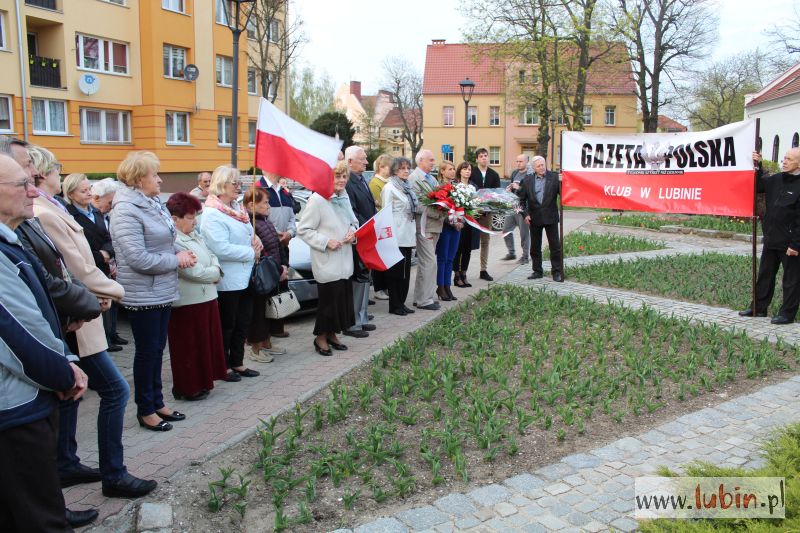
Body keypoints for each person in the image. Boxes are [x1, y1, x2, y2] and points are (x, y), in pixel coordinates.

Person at [30, 146, 158, 499]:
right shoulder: (44, 211)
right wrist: (118, 291)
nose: (61, 172)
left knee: (71, 395)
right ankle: (113, 474)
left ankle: (66, 462)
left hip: (84, 308)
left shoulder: (50, 207)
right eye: (57, 168)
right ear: (43, 173)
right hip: (79, 313)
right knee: (116, 390)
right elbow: (76, 269)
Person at [0, 152, 95, 531]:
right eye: (22, 183)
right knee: (40, 520)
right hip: (16, 409)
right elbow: (17, 335)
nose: (33, 191)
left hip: (21, 401)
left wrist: (63, 359)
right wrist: (64, 373)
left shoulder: (9, 240)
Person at [112, 151, 194, 434]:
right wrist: (177, 260)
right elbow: (138, 258)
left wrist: (179, 250)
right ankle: (145, 409)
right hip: (143, 292)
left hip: (160, 290)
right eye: (154, 174)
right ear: (138, 179)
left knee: (158, 349)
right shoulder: (125, 210)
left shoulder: (150, 204)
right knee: (147, 352)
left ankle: (157, 401)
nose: (160, 179)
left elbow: (163, 241)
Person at [201, 165, 262, 381]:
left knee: (242, 323)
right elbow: (220, 248)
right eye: (234, 183)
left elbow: (248, 233)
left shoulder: (237, 208)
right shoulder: (212, 213)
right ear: (221, 185)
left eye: (239, 183)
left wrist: (257, 241)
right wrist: (249, 252)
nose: (239, 187)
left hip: (245, 277)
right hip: (228, 279)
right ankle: (223, 366)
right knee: (227, 325)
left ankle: (238, 362)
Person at [166, 193, 228, 401]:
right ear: (175, 218)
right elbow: (192, 271)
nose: (195, 221)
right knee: (189, 348)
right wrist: (215, 273)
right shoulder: (174, 239)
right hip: (187, 301)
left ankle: (203, 382)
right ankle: (188, 387)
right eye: (190, 217)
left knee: (205, 345)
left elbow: (211, 255)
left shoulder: (195, 235)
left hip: (206, 298)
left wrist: (215, 268)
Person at [297, 161, 357, 356]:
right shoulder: (317, 199)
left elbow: (353, 222)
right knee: (328, 301)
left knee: (341, 300)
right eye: (337, 176)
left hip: (345, 257)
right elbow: (304, 230)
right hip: (327, 258)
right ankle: (320, 337)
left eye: (344, 176)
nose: (341, 180)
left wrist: (353, 233)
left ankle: (332, 334)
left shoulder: (344, 197)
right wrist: (325, 241)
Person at [63, 173, 123, 352]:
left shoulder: (95, 212)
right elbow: (77, 248)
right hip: (89, 267)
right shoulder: (69, 215)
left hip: (104, 265)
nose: (89, 193)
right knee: (96, 307)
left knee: (109, 303)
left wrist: (108, 252)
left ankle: (110, 335)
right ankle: (103, 339)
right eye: (83, 191)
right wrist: (100, 255)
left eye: (89, 189)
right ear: (71, 194)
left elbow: (109, 237)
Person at [740, 149, 800, 324]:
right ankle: (758, 309)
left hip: (790, 243)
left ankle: (787, 314)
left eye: (789, 159)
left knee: (791, 280)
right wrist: (757, 166)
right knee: (765, 275)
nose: (785, 161)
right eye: (784, 158)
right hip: (772, 238)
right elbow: (758, 186)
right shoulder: (776, 179)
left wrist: (796, 244)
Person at [244, 187, 288, 363]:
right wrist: (277, 270)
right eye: (265, 203)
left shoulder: (265, 220)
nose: (269, 206)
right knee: (258, 314)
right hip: (262, 276)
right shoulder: (250, 224)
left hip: (274, 273)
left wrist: (283, 266)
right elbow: (262, 253)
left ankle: (267, 343)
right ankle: (255, 349)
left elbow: (276, 246)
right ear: (252, 205)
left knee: (269, 311)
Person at [256, 172, 295, 338]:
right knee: (268, 287)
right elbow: (259, 219)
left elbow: (293, 216)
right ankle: (265, 333)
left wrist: (290, 233)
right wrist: (278, 234)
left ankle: (278, 326)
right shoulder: (259, 188)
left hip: (283, 244)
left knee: (281, 285)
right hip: (269, 245)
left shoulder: (284, 191)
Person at [512, 155, 563, 282]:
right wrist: (525, 214)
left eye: (543, 165)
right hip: (534, 218)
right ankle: (537, 271)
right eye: (539, 166)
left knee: (555, 246)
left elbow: (563, 194)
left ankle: (556, 272)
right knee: (535, 247)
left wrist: (563, 183)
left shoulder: (555, 177)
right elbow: (520, 200)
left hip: (550, 216)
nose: (542, 167)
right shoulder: (527, 180)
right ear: (534, 168)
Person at [344, 145, 377, 336]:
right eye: (362, 159)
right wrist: (368, 227)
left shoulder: (361, 179)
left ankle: (362, 317)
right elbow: (353, 212)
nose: (366, 162)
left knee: (365, 279)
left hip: (366, 236)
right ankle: (353, 322)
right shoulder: (348, 182)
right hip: (358, 236)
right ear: (350, 162)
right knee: (357, 279)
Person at [91, 177, 127, 349]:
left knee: (114, 302)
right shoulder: (92, 216)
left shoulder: (105, 216)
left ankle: (113, 333)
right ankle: (106, 337)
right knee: (105, 303)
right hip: (99, 266)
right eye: (110, 201)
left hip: (112, 263)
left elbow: (111, 239)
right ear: (97, 197)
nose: (112, 205)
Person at [409, 149, 446, 310]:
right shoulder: (414, 178)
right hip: (424, 226)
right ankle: (425, 299)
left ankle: (421, 297)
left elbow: (441, 199)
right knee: (429, 262)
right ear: (421, 161)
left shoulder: (431, 178)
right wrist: (438, 214)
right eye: (430, 160)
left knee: (427, 263)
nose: (433, 162)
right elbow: (417, 204)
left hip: (435, 225)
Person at [381, 157, 417, 316]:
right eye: (403, 168)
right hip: (396, 234)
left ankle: (401, 302)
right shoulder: (390, 188)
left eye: (408, 168)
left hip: (407, 233)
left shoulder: (406, 187)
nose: (406, 171)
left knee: (406, 272)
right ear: (395, 170)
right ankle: (394, 305)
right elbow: (385, 212)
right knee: (396, 272)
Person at [435, 160, 464, 301]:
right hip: (445, 226)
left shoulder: (458, 187)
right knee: (442, 258)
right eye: (450, 169)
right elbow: (440, 209)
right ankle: (440, 286)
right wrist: (453, 221)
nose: (453, 171)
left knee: (451, 258)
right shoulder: (439, 187)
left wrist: (461, 221)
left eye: (453, 169)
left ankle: (447, 286)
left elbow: (464, 207)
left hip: (456, 228)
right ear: (442, 171)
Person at [472, 147, 501, 281]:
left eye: (485, 156)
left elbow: (496, 194)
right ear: (477, 159)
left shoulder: (494, 174)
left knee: (485, 241)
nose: (484, 158)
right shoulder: (471, 172)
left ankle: (483, 270)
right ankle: (461, 270)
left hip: (486, 213)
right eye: (481, 156)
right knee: (466, 242)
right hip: (471, 212)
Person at [369, 153, 393, 301]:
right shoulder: (375, 183)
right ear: (381, 167)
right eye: (390, 167)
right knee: (380, 257)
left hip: (388, 224)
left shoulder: (387, 182)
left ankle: (385, 286)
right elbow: (378, 204)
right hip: (380, 225)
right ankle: (379, 288)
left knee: (387, 258)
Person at [453, 162, 480, 288]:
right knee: (458, 249)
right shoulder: (455, 186)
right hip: (459, 221)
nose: (467, 171)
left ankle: (464, 273)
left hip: (470, 222)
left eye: (469, 169)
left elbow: (477, 203)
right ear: (460, 171)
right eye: (465, 169)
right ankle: (457, 275)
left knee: (467, 250)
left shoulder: (473, 186)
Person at [502, 154, 532, 264]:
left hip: (523, 208)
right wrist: (509, 189)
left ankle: (525, 256)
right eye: (517, 161)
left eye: (521, 161)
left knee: (524, 233)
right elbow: (512, 187)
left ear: (526, 162)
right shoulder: (515, 173)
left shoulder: (530, 174)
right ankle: (511, 252)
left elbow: (530, 191)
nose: (518, 163)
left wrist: (518, 188)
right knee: (506, 230)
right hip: (513, 206)